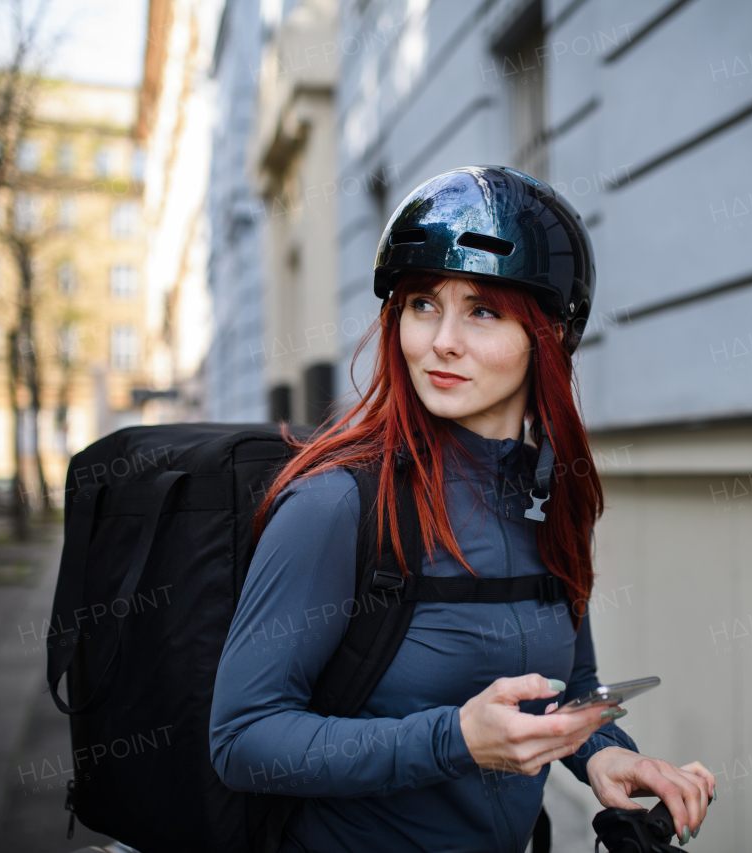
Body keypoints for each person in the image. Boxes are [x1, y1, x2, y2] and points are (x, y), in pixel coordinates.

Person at [209, 166, 713, 853]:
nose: (442, 340)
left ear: (548, 335)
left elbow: (570, 684)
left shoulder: (548, 493)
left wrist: (602, 753)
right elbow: (242, 738)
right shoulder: (336, 502)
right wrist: (455, 740)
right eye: (422, 304)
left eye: (482, 309)